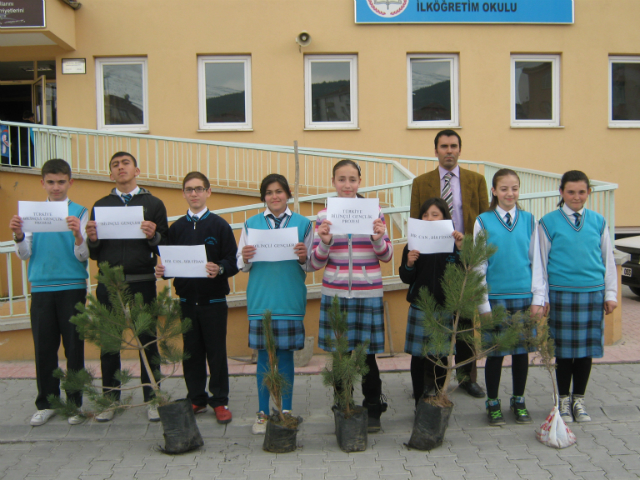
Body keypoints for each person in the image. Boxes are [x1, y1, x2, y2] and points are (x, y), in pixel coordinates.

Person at [86, 151, 169, 423]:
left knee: (148, 341)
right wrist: (94, 239)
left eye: (125, 164)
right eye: (115, 165)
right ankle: (110, 400)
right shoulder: (100, 204)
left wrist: (152, 235)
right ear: (110, 174)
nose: (120, 168)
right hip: (109, 284)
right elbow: (95, 253)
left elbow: (164, 245)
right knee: (110, 343)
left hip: (142, 281)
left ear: (137, 170)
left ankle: (153, 398)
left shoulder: (153, 203)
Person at [311, 159, 393, 432]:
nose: (347, 185)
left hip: (367, 292)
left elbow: (387, 256)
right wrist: (324, 241)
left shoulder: (374, 211)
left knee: (367, 357)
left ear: (360, 181)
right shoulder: (324, 215)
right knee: (340, 356)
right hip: (335, 294)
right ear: (333, 182)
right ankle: (343, 406)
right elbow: (315, 262)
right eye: (341, 179)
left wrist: (378, 237)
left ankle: (372, 408)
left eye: (352, 179)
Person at [409, 129, 489, 398]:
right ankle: (428, 381)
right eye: (444, 146)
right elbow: (415, 220)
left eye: (454, 146)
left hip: (463, 259)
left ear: (460, 149)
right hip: (432, 260)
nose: (449, 151)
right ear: (436, 151)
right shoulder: (421, 182)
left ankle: (467, 377)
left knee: (465, 321)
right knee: (435, 322)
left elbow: (483, 220)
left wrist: (472, 250)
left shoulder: (476, 180)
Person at [9, 158, 88, 426]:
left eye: (61, 182)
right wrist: (19, 236)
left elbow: (84, 256)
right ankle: (47, 402)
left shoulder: (80, 212)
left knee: (74, 348)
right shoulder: (31, 213)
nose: (56, 187)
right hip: (41, 288)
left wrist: (78, 235)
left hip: (73, 288)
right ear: (42, 183)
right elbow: (25, 254)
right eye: (51, 182)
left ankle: (75, 403)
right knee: (44, 348)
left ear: (70, 182)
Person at [155, 171, 238, 424]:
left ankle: (220, 400)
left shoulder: (219, 225)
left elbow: (232, 262)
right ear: (183, 194)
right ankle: (196, 398)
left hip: (213, 302)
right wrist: (163, 271)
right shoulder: (177, 227)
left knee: (216, 353)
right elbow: (171, 261)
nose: (194, 194)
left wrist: (219, 268)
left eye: (199, 189)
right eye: (189, 189)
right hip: (187, 302)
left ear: (208, 192)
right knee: (191, 353)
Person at [237, 173, 314, 435]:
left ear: (287, 194)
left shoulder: (303, 224)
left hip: (290, 300)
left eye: (279, 191)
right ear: (263, 197)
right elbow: (241, 264)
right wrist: (245, 257)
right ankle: (262, 412)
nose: (275, 196)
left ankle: (286, 410)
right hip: (261, 300)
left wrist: (305, 256)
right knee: (263, 358)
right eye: (269, 192)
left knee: (285, 357)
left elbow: (312, 263)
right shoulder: (251, 224)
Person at [539, 170, 617, 423]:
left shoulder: (598, 221)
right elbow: (541, 262)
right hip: (561, 295)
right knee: (562, 351)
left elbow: (608, 259)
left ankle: (579, 400)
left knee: (585, 352)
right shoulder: (548, 222)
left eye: (581, 192)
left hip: (591, 294)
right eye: (570, 192)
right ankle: (562, 400)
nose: (576, 196)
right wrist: (543, 297)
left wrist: (611, 293)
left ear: (588, 193)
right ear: (561, 192)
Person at [474, 169, 545, 426]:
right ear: (494, 191)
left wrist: (538, 298)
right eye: (504, 188)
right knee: (495, 353)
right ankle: (492, 402)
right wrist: (483, 304)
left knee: (521, 353)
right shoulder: (483, 221)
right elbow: (478, 265)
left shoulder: (529, 220)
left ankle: (519, 399)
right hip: (495, 299)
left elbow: (536, 262)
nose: (509, 193)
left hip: (523, 297)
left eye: (514, 188)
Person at [399, 198, 463, 406]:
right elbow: (406, 278)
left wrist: (462, 250)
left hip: (445, 308)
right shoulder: (413, 243)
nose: (429, 218)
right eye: (425, 215)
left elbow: (465, 274)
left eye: (435, 214)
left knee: (441, 356)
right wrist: (409, 263)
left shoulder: (454, 243)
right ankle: (419, 400)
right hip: (420, 306)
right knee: (419, 357)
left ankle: (436, 397)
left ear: (445, 217)